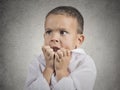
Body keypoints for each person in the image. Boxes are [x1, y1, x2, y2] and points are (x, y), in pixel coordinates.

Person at [25, 6, 97, 90]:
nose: (54, 38)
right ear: (44, 36)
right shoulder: (37, 61)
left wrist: (61, 71)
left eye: (63, 32)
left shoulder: (84, 62)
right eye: (48, 32)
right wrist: (48, 68)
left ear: (79, 40)